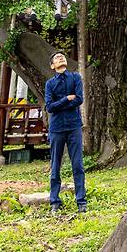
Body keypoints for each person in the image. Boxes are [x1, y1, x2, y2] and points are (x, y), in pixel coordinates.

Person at [44, 51, 87, 213]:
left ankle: (81, 201)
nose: (61, 57)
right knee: (55, 165)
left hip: (74, 126)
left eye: (62, 56)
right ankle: (54, 200)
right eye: (57, 57)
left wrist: (61, 103)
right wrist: (66, 99)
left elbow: (79, 99)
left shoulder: (75, 78)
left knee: (78, 164)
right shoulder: (50, 84)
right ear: (52, 65)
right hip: (56, 128)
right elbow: (49, 107)